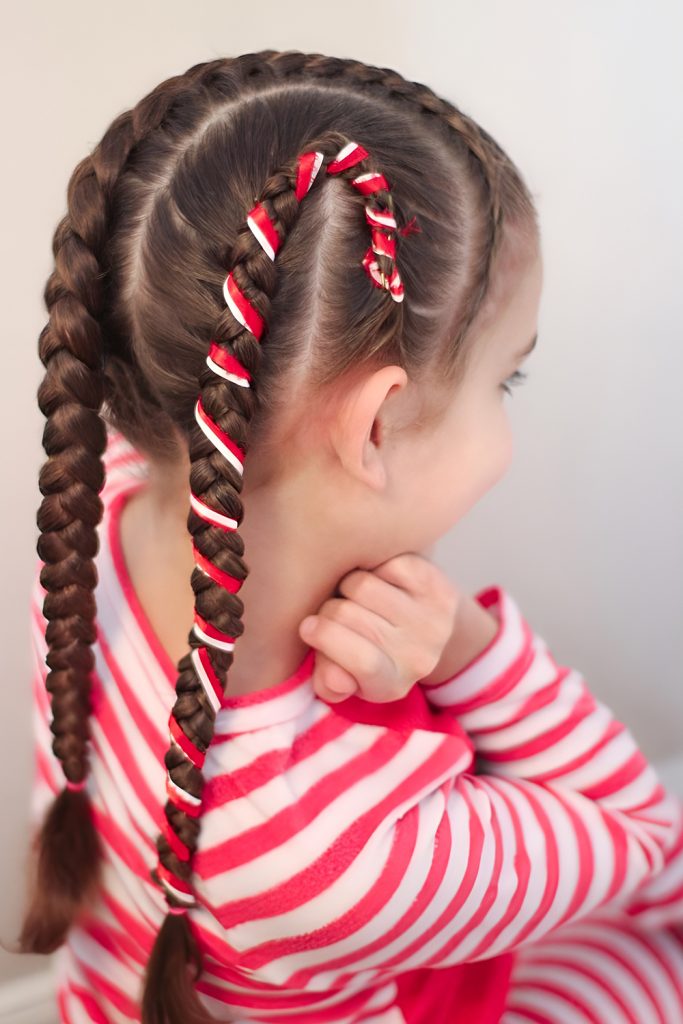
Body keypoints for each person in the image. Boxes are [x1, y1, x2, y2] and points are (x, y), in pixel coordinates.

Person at [10, 48, 683, 1024]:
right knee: (644, 965)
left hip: (113, 994)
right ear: (374, 427)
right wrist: (470, 652)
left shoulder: (89, 517)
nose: (506, 414)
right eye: (505, 380)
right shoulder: (337, 854)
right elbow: (641, 837)